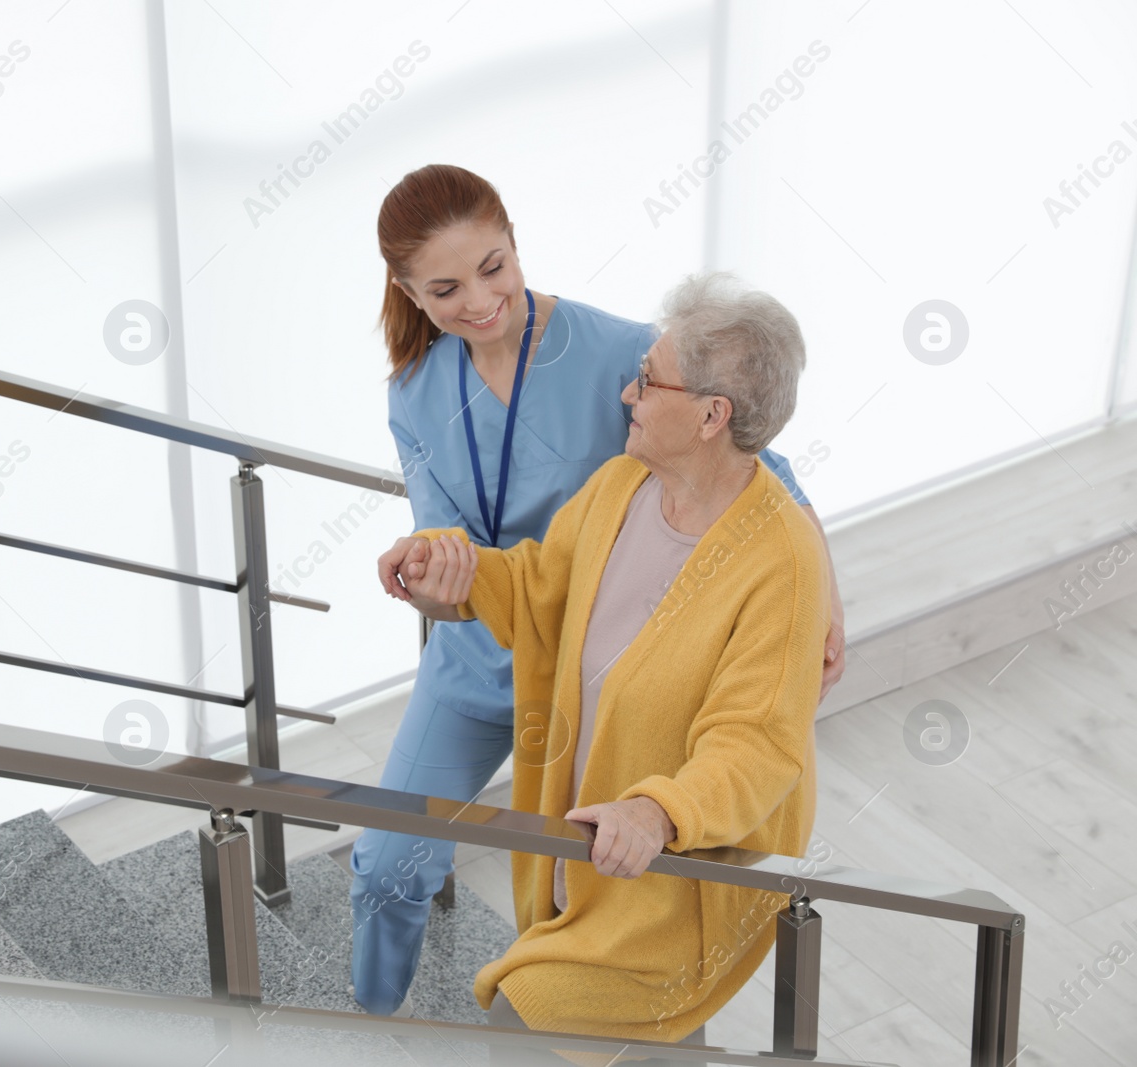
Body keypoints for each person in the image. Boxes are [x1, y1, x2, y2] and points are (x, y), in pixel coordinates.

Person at [348, 163, 844, 1017]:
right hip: (485, 649)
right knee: (389, 866)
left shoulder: (623, 353)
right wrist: (434, 578)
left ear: (515, 245)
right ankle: (368, 1017)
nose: (480, 300)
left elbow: (764, 468)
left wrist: (824, 597)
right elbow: (449, 540)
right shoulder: (414, 394)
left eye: (494, 266)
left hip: (605, 670)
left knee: (602, 879)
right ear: (409, 291)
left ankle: (579, 995)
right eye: (447, 287)